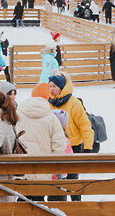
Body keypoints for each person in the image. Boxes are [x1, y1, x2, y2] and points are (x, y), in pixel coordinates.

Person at [47, 72, 93, 201]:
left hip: (73, 146)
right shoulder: (49, 102)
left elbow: (85, 126)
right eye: (50, 86)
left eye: (54, 86)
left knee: (72, 182)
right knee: (57, 180)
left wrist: (88, 148)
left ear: (62, 87)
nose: (51, 89)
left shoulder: (74, 103)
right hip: (56, 148)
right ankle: (58, 207)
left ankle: (76, 206)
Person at [15, 96, 67, 201]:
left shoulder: (17, 116)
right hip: (43, 170)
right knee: (39, 201)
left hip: (21, 168)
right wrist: (55, 168)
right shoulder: (51, 119)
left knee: (22, 200)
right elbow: (59, 146)